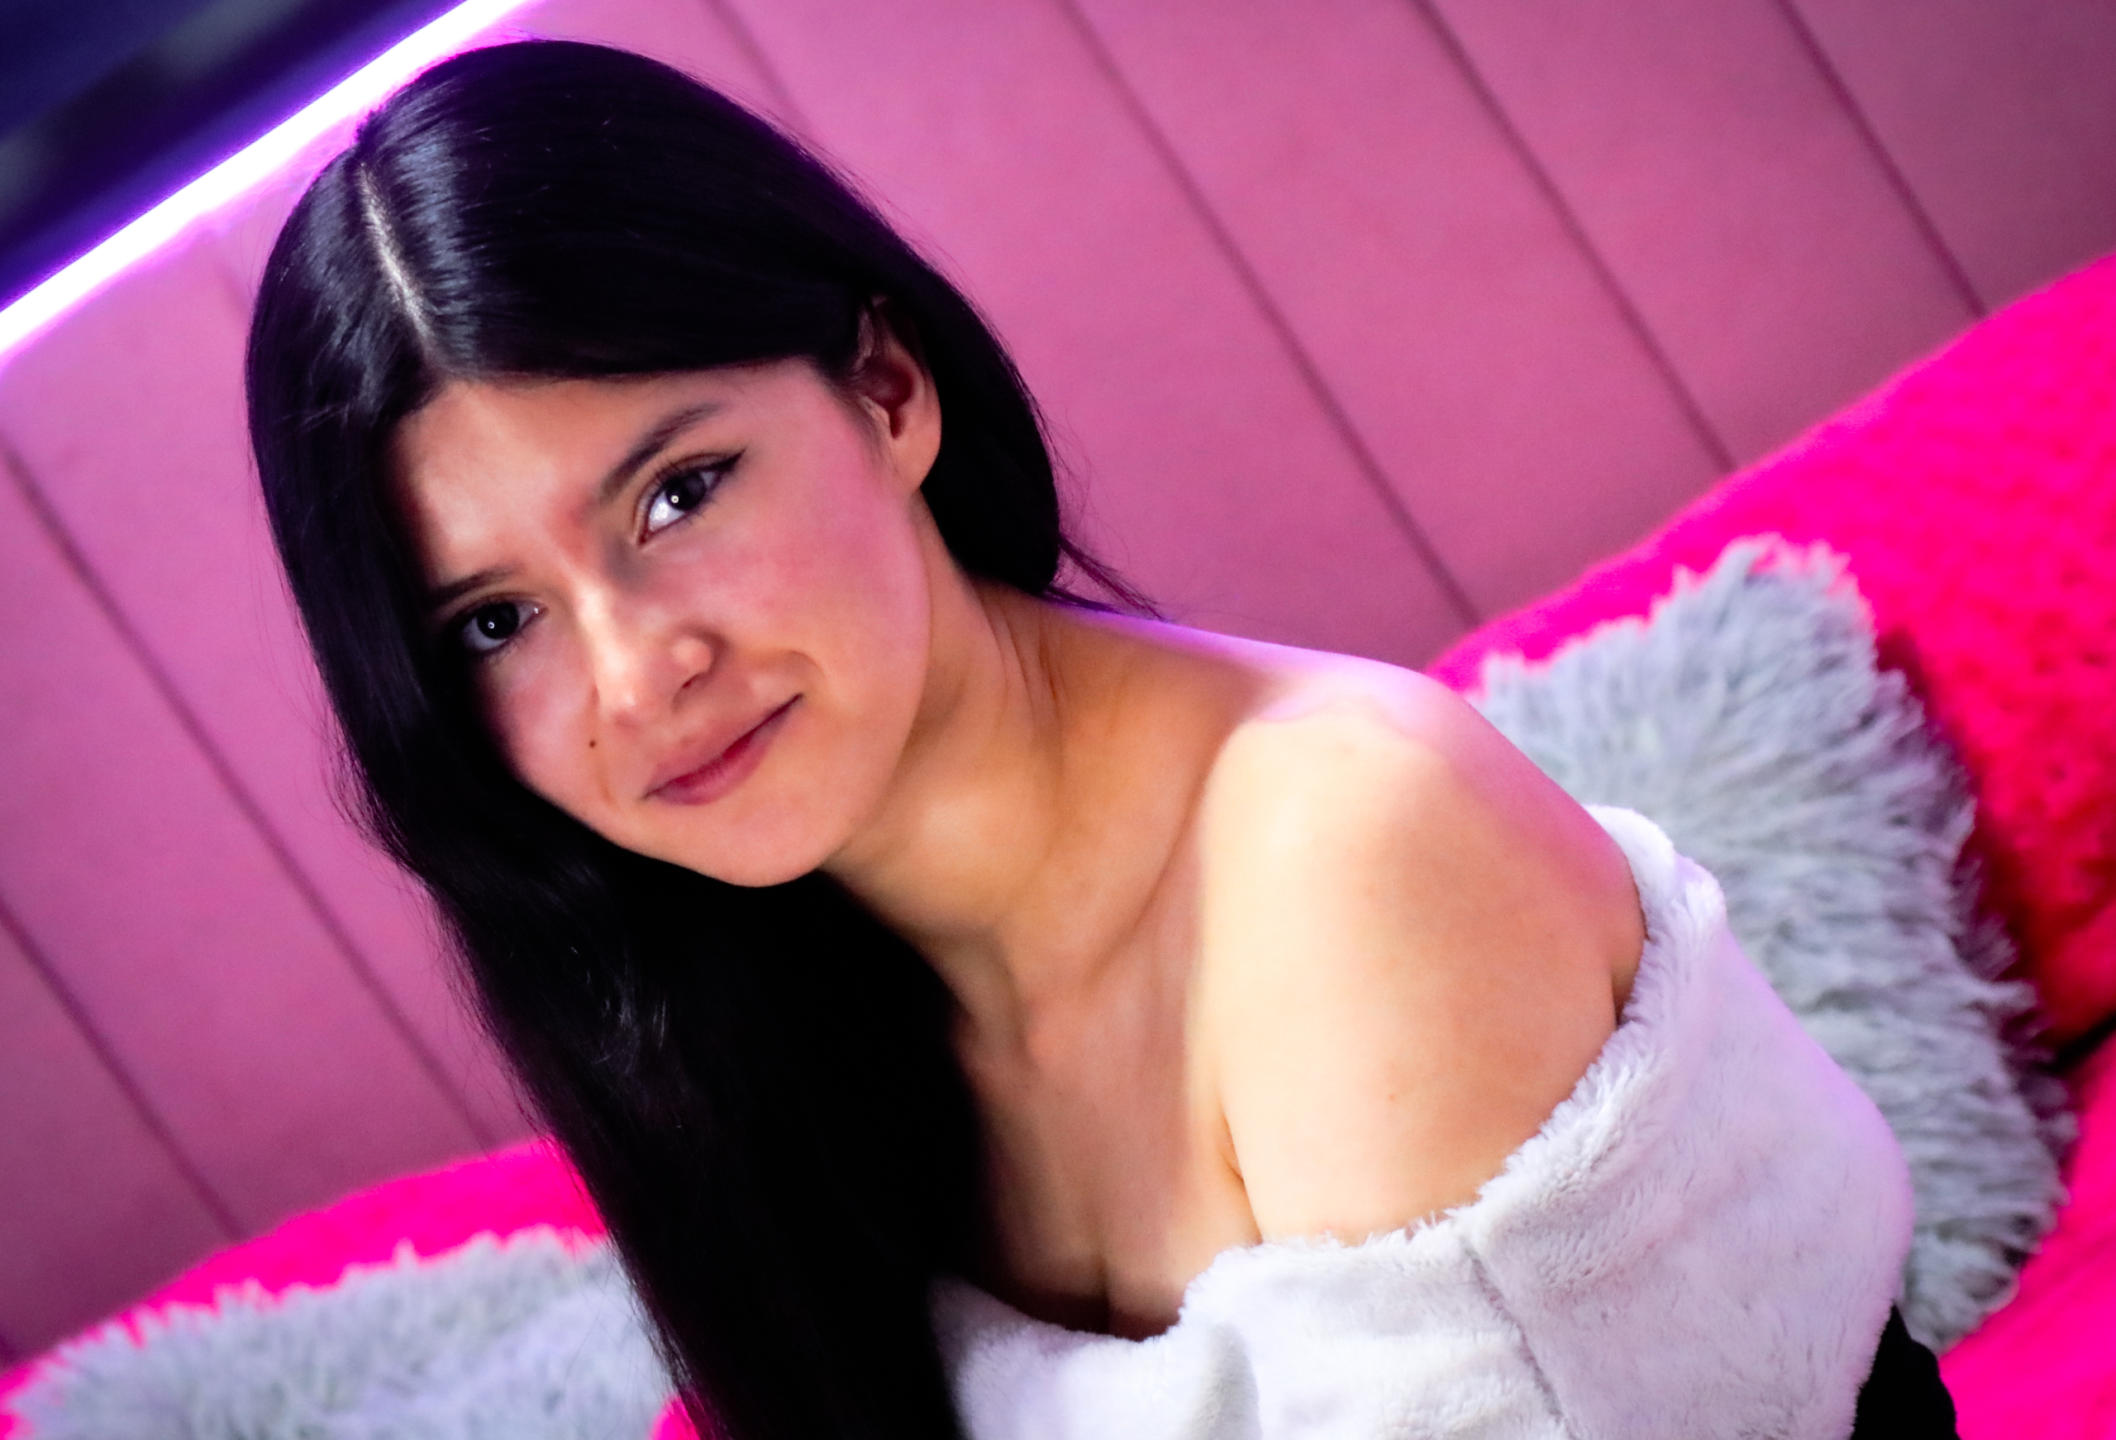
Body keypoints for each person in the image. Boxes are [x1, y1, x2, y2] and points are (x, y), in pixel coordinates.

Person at [246, 39, 1950, 1440]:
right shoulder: (771, 1028)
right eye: (495, 623)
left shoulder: (1345, 842)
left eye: (679, 493)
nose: (637, 675)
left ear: (887, 391)